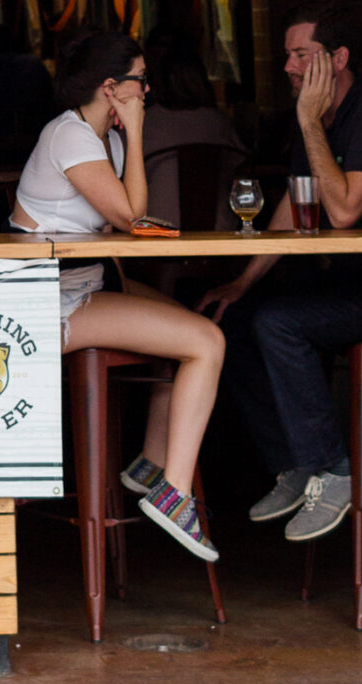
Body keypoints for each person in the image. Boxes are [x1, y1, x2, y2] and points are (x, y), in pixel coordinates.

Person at [200, 8, 362, 545]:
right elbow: (297, 199)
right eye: (287, 56)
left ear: (339, 59)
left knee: (280, 323)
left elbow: (342, 212)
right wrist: (243, 281)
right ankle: (294, 465)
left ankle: (335, 471)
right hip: (354, 285)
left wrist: (310, 121)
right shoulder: (310, 116)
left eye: (301, 55)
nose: (288, 67)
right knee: (233, 318)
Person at [12, 30, 225, 563]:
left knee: (182, 318)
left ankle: (152, 463)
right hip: (45, 304)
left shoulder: (96, 138)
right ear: (112, 88)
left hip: (80, 285)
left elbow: (124, 221)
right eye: (140, 80)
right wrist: (137, 131)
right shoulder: (71, 136)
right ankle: (175, 494)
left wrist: (127, 138)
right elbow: (133, 219)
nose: (148, 90)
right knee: (207, 341)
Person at [140, 28, 245, 227]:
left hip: (157, 227)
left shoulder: (145, 121)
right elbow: (242, 169)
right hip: (220, 229)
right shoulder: (220, 122)